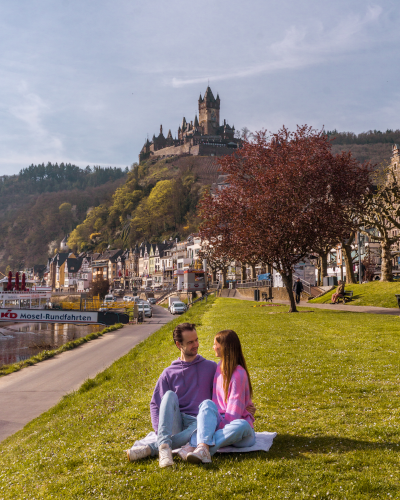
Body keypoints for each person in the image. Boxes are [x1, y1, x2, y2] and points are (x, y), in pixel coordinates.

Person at [126, 323, 256, 468]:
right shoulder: (168, 373)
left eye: (196, 340)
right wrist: (160, 433)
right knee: (168, 395)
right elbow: (155, 405)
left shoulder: (211, 367)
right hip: (179, 423)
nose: (196, 345)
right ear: (178, 344)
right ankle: (163, 447)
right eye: (190, 342)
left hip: (201, 423)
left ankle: (152, 448)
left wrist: (246, 406)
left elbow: (229, 388)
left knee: (201, 421)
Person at [185, 329, 256, 464]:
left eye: (215, 344)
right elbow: (215, 405)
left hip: (239, 431)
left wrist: (212, 430)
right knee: (206, 404)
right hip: (222, 425)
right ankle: (203, 448)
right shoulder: (219, 367)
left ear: (224, 347)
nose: (213, 347)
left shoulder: (238, 374)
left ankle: (197, 445)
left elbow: (233, 415)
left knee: (242, 425)